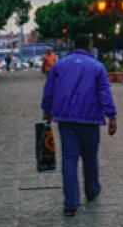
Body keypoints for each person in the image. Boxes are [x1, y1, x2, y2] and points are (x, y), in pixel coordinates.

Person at [41, 34, 118, 217]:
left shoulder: (59, 65)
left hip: (66, 120)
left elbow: (49, 89)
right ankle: (91, 190)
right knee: (90, 158)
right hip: (90, 119)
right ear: (89, 46)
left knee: (69, 159)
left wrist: (47, 110)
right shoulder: (97, 67)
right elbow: (104, 93)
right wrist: (112, 116)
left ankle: (71, 202)